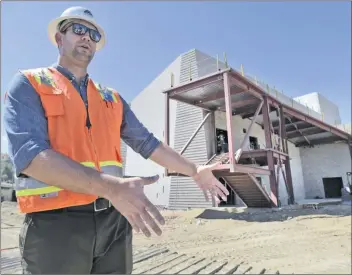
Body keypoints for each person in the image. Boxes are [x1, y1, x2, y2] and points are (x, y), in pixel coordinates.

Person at [3, 6, 229, 274]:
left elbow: (148, 143)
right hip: (55, 225)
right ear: (59, 38)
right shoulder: (30, 83)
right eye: (78, 29)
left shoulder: (111, 98)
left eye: (93, 34)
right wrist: (111, 187)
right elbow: (29, 156)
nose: (87, 37)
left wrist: (194, 169)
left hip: (114, 219)